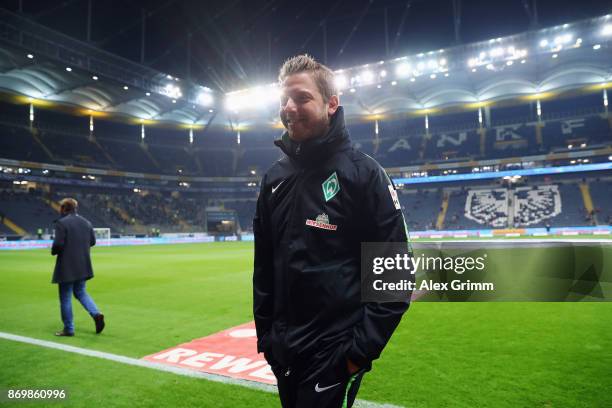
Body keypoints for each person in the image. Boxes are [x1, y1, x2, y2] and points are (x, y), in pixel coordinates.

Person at [253, 55, 412, 408]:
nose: (289, 108)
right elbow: (263, 267)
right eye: (284, 100)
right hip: (283, 352)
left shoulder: (364, 175)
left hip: (333, 355)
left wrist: (356, 354)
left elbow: (395, 275)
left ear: (331, 104)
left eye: (302, 98)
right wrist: (266, 338)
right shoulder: (274, 179)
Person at [51, 197, 105, 336]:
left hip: (67, 267)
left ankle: (69, 329)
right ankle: (96, 314)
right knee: (81, 292)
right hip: (83, 265)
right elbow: (92, 242)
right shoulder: (87, 222)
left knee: (66, 298)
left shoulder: (62, 223)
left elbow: (58, 244)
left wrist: (54, 251)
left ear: (64, 208)